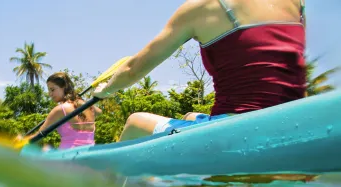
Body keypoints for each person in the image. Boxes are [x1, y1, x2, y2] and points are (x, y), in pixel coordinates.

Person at [93, 0, 306, 141]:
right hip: (291, 126)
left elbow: (132, 70)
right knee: (189, 116)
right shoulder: (297, 3)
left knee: (134, 122)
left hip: (233, 132)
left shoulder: (203, 7)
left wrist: (104, 91)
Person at [18, 72, 102, 150]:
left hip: (68, 156)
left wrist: (21, 140)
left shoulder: (60, 110)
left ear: (64, 87)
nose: (50, 94)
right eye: (49, 90)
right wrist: (79, 100)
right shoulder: (89, 107)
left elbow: (38, 137)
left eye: (52, 89)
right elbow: (99, 112)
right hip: (89, 154)